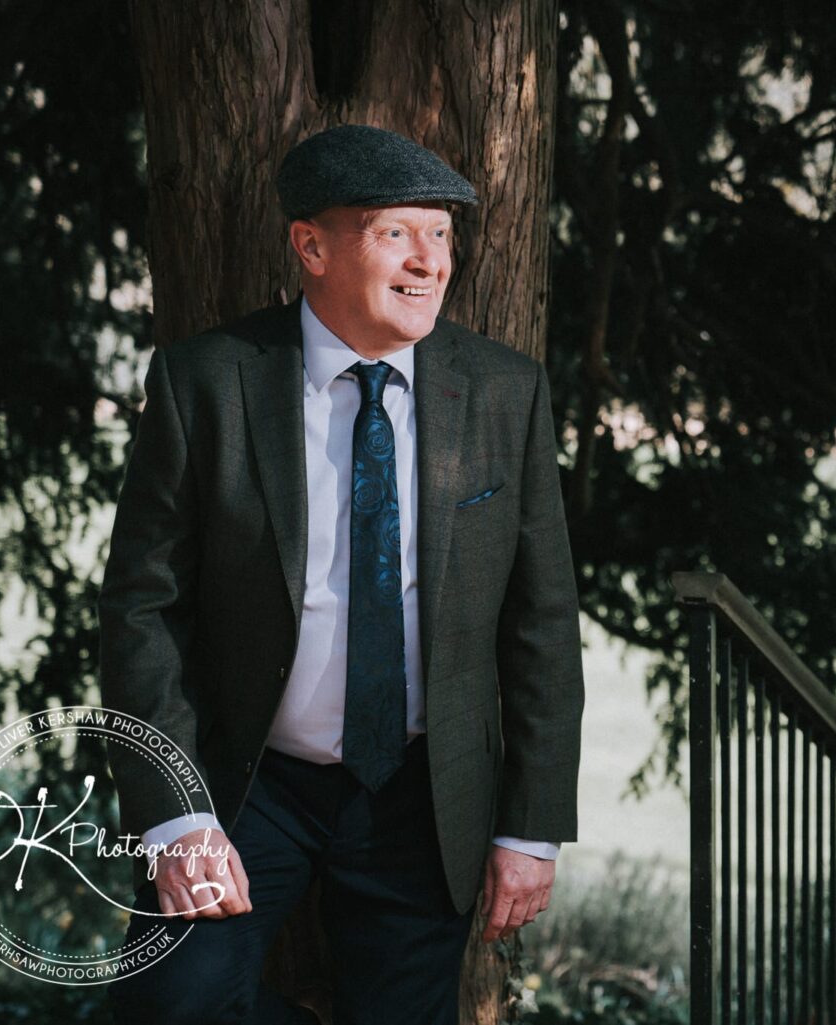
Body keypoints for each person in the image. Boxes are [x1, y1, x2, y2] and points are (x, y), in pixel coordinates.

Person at [99, 123, 585, 1025]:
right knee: (172, 1004)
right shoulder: (207, 383)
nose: (429, 261)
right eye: (397, 232)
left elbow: (543, 619)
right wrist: (173, 813)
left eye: (442, 235)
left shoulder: (503, 391)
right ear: (311, 246)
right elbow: (143, 609)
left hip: (421, 791)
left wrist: (530, 824)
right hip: (247, 781)